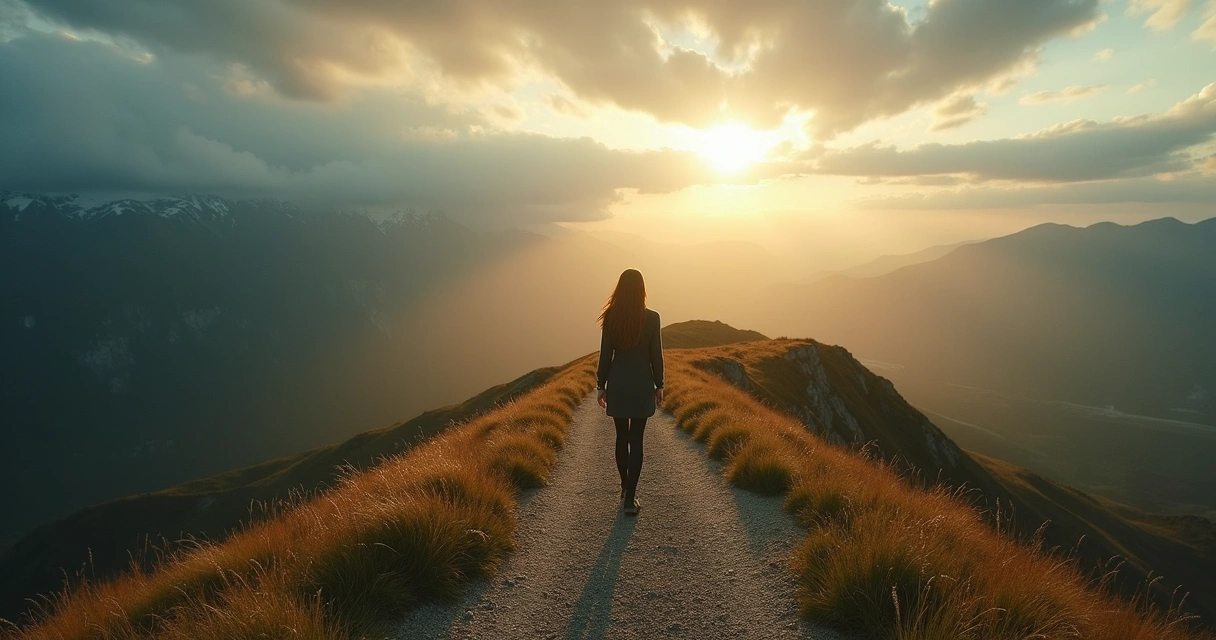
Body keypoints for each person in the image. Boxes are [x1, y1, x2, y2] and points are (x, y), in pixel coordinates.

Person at [596, 268, 664, 516]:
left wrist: (601, 386)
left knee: (621, 438)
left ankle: (625, 487)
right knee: (636, 441)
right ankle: (630, 499)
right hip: (641, 385)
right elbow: (656, 355)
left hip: (619, 384)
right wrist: (659, 385)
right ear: (642, 291)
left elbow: (606, 356)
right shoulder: (652, 318)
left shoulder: (611, 317)